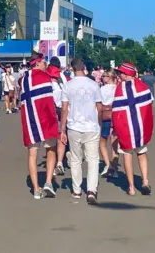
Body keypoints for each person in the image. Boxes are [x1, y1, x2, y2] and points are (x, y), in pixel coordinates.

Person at [60, 58, 102, 205]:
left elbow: (64, 108)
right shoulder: (94, 84)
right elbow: (99, 106)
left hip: (73, 125)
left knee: (76, 159)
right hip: (91, 125)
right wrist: (100, 122)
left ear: (72, 68)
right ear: (83, 67)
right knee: (93, 159)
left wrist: (62, 129)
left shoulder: (68, 85)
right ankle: (91, 190)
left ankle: (76, 189)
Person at [21, 52, 59, 199]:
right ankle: (49, 182)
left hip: (30, 121)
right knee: (51, 150)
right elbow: (52, 101)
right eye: (44, 63)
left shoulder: (24, 79)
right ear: (37, 63)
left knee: (32, 154)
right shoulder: (46, 78)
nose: (45, 65)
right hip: (46, 119)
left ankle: (36, 189)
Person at [112, 62, 153, 196]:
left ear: (125, 74)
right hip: (140, 128)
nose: (119, 75)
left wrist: (117, 127)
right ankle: (145, 181)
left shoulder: (120, 88)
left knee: (127, 155)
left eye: (121, 73)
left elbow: (116, 111)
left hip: (126, 129)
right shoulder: (142, 86)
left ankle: (131, 187)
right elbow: (148, 106)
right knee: (141, 153)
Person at [46, 57, 70, 176]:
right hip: (62, 109)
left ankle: (53, 160)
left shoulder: (46, 77)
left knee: (52, 137)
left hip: (50, 109)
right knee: (62, 134)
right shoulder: (64, 77)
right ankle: (60, 162)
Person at [99, 69, 119, 178]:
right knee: (114, 143)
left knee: (102, 142)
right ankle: (114, 168)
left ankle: (108, 164)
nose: (102, 78)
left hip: (106, 115)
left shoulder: (102, 89)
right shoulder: (118, 89)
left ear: (108, 77)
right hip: (116, 116)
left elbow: (98, 103)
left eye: (104, 76)